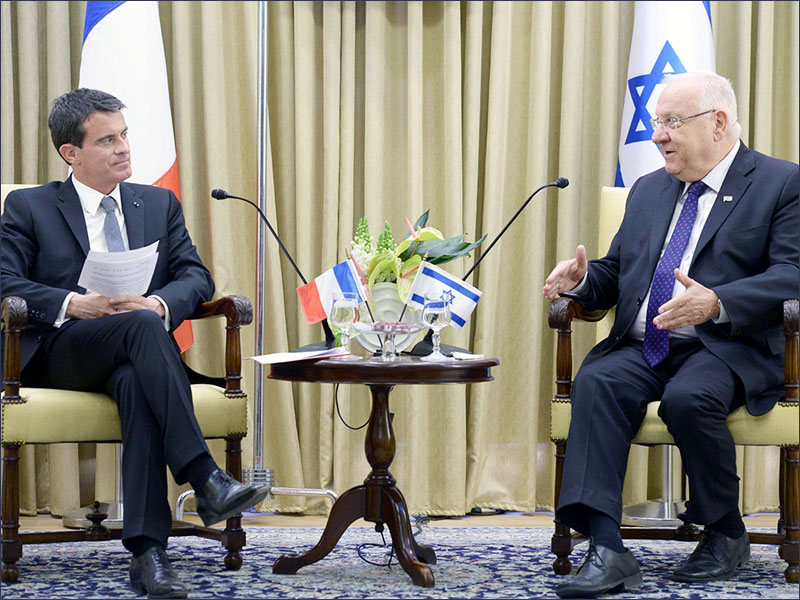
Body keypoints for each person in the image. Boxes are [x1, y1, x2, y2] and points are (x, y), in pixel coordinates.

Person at [0, 88, 269, 599]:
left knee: (137, 375)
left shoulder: (159, 202)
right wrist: (72, 303)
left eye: (124, 135)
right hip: (61, 351)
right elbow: (4, 282)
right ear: (70, 153)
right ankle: (204, 476)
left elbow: (195, 275)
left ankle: (149, 555)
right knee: (144, 335)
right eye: (107, 140)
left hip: (138, 352)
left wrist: (161, 304)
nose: (123, 147)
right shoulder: (30, 206)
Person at [542, 71, 799, 598]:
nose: (658, 134)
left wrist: (719, 301)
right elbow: (617, 271)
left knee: (689, 398)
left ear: (719, 123)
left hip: (726, 345)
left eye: (672, 122)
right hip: (643, 343)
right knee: (599, 379)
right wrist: (583, 282)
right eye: (657, 121)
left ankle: (725, 529)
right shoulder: (649, 189)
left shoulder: (780, 183)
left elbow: (792, 273)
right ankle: (607, 546)